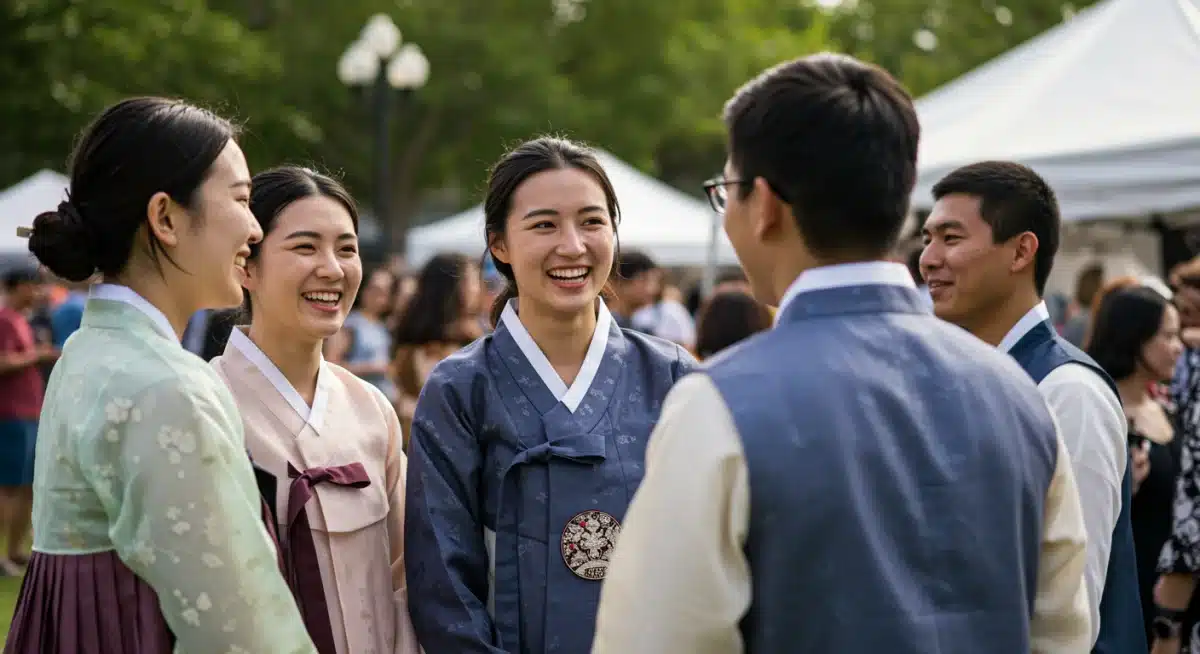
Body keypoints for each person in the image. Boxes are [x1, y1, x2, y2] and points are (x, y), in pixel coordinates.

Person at [592, 53, 1090, 654]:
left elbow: (656, 640)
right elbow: (1062, 635)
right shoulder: (1020, 397)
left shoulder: (720, 404)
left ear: (767, 205)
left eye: (728, 192)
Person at [3, 97, 317, 653]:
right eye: (242, 200)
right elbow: (238, 625)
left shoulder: (88, 351)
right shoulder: (167, 387)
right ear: (166, 217)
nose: (254, 227)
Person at [404, 136, 699, 654]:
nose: (572, 246)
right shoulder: (459, 390)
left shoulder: (672, 376)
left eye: (591, 221)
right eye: (544, 225)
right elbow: (443, 587)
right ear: (499, 244)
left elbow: (707, 561)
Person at [920, 160, 1142, 653]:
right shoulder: (974, 377)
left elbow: (1072, 612)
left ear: (1021, 250)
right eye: (927, 238)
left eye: (951, 239)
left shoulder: (1066, 390)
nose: (928, 259)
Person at [208, 166, 420, 654]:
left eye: (346, 249)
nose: (332, 268)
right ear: (246, 265)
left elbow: (408, 570)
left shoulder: (370, 408)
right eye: (305, 247)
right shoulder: (204, 403)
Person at [1085, 286, 1188, 646]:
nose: (1178, 346)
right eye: (1168, 336)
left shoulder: (1170, 409)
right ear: (1135, 337)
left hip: (1180, 601)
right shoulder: (1098, 410)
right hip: (1136, 605)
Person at [0, 269, 54, 575]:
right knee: (8, 486)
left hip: (28, 412)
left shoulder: (20, 319)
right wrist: (37, 355)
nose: (36, 293)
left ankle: (15, 551)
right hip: (11, 413)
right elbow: (4, 361)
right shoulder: (5, 319)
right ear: (16, 287)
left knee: (26, 486)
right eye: (31, 287)